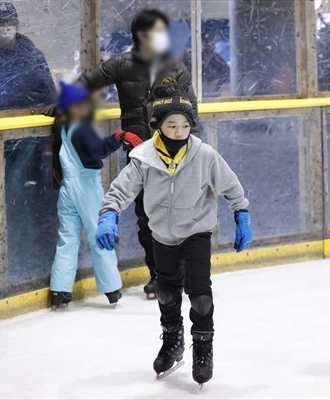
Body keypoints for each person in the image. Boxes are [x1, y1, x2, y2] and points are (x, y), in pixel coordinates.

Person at [94, 78, 253, 385]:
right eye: (171, 126)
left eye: (184, 126)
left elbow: (231, 185)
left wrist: (241, 215)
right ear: (157, 126)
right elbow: (121, 189)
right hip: (162, 236)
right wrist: (109, 215)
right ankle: (172, 341)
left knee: (200, 294)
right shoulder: (143, 158)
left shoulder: (204, 155)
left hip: (196, 231)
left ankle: (203, 348)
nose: (179, 132)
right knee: (167, 293)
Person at [75, 9, 200, 298]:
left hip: (175, 153)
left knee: (180, 215)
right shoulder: (121, 65)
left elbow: (192, 115)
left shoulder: (176, 69)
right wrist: (62, 104)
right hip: (142, 155)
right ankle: (159, 275)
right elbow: (85, 82)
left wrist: (193, 154)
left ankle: (180, 272)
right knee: (147, 219)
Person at [49, 81, 143, 308]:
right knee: (99, 233)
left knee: (68, 238)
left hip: (67, 187)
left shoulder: (62, 126)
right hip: (86, 185)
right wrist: (118, 137)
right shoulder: (79, 126)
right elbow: (96, 150)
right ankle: (111, 287)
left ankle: (59, 290)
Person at [0, 2, 56, 112]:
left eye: (10, 22)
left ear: (16, 25)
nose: (6, 27)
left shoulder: (33, 56)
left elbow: (51, 97)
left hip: (28, 119)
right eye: (1, 22)